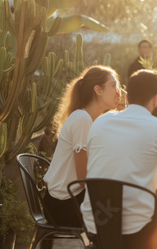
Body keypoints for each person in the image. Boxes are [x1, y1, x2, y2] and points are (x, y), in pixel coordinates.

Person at [80, 69, 157, 249]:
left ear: (127, 97)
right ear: (156, 99)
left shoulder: (101, 122)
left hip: (95, 227)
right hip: (135, 233)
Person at [43, 65, 121, 227]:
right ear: (98, 90)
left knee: (126, 203)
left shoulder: (93, 120)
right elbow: (83, 178)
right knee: (127, 208)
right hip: (64, 205)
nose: (118, 91)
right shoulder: (82, 119)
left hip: (73, 199)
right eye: (114, 85)